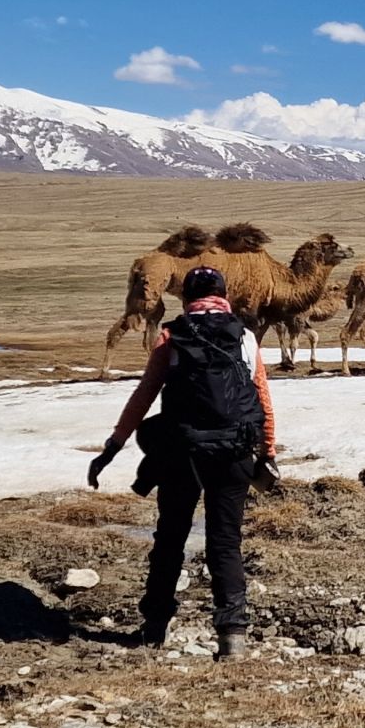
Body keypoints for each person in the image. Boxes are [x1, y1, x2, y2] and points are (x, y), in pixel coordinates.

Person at [88, 266, 275, 658]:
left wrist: (113, 445)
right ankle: (233, 637)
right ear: (224, 294)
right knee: (225, 542)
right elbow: (262, 399)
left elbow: (143, 396)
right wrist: (267, 452)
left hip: (181, 453)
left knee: (170, 538)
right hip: (234, 451)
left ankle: (154, 627)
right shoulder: (244, 336)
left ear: (187, 298)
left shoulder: (171, 337)